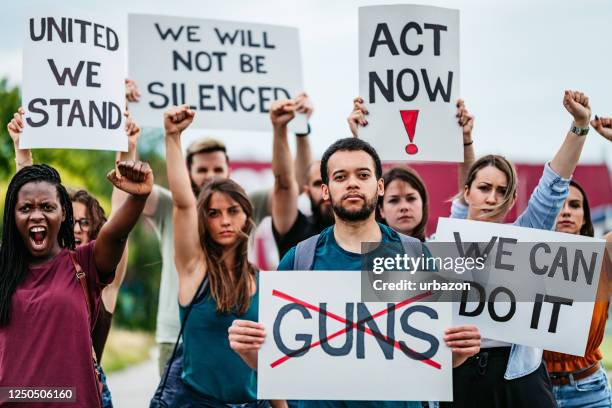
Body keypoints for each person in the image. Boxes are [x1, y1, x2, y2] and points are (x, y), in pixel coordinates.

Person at [229, 137, 481, 408]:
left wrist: (457, 353)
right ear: (325, 191)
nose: (352, 183)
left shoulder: (416, 255)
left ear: (379, 186)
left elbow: (432, 360)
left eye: (363, 175)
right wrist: (250, 352)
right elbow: (279, 369)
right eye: (340, 176)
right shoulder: (300, 259)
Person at [437, 90, 595, 407]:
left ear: (511, 201)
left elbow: (554, 186)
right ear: (466, 193)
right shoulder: (449, 239)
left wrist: (579, 125)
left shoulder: (526, 235)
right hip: (457, 377)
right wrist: (466, 141)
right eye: (484, 188)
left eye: (502, 191)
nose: (492, 198)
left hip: (519, 381)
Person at [7, 108, 142, 408]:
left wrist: (127, 150)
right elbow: (26, 209)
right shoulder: (19, 270)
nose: (77, 229)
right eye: (74, 222)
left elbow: (119, 224)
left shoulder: (93, 270)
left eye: (85, 223)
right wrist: (22, 155)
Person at [162, 105, 277, 407]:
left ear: (246, 216)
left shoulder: (264, 282)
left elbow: (276, 366)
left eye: (232, 211)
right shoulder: (193, 269)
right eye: (213, 213)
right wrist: (173, 137)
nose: (225, 220)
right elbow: (183, 204)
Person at [542, 116, 612, 408]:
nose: (566, 212)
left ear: (585, 216)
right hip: (537, 391)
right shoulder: (521, 258)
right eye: (559, 205)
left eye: (574, 205)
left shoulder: (603, 255)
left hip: (589, 392)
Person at [349, 97, 476, 241]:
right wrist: (360, 138)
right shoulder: (364, 252)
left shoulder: (439, 248)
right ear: (380, 209)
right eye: (394, 200)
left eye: (411, 198)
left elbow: (468, 199)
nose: (404, 207)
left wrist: (465, 139)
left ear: (423, 204)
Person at [270, 94, 334, 259]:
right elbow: (284, 183)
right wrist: (280, 128)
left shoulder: (365, 231)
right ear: (306, 190)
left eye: (335, 180)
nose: (325, 190)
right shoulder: (296, 228)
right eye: (318, 183)